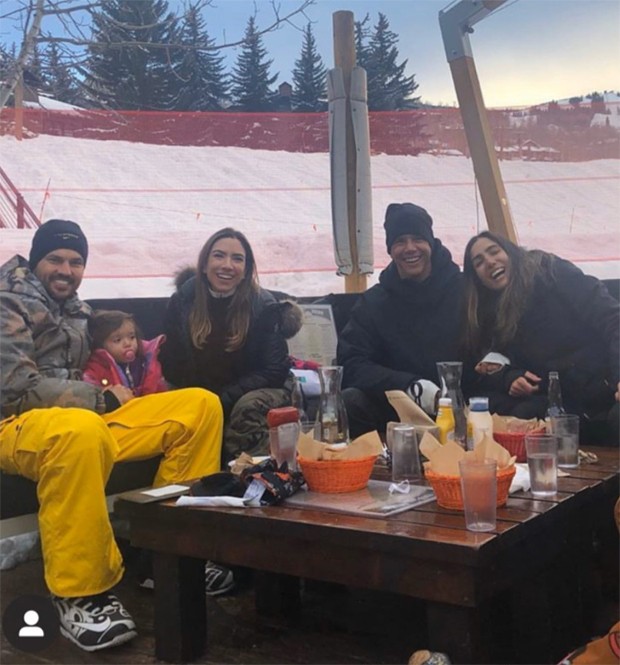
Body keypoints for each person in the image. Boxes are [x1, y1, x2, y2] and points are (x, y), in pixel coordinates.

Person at [0, 219, 224, 652]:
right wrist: (100, 398)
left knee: (200, 405)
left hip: (82, 422)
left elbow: (116, 363)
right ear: (35, 259)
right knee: (80, 430)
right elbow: (13, 389)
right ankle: (79, 592)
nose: (66, 269)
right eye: (56, 259)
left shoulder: (81, 312)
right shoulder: (7, 304)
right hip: (14, 424)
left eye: (76, 261)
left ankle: (170, 550)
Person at [160, 227, 303, 464]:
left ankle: (247, 475)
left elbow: (274, 371)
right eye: (219, 256)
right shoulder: (183, 302)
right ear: (204, 265)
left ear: (246, 269)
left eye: (237, 259)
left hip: (252, 392)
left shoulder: (263, 305)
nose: (227, 265)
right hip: (201, 393)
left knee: (246, 407)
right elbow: (171, 362)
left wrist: (223, 398)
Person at [462, 231, 619, 443]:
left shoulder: (551, 272)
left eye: (494, 251)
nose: (490, 262)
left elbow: (613, 319)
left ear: (510, 252)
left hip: (603, 384)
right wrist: (509, 376)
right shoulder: (489, 313)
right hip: (559, 397)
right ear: (477, 278)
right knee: (506, 410)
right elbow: (485, 362)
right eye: (479, 262)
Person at [337, 203, 464, 438]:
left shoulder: (465, 290)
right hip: (397, 412)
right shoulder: (373, 303)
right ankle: (368, 468)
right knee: (350, 400)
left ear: (431, 243)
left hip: (461, 403)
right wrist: (409, 386)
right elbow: (352, 362)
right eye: (400, 241)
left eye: (417, 239)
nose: (410, 248)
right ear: (390, 249)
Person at [83, 309, 168, 396]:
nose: (128, 343)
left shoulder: (146, 360)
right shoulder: (96, 368)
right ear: (101, 344)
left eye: (132, 337)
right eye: (117, 340)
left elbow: (159, 386)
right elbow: (92, 391)